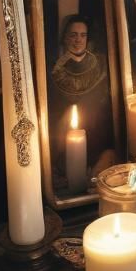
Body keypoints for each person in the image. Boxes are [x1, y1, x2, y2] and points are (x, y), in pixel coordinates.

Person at [49, 14, 113, 177]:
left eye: (83, 35)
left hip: (96, 137)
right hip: (64, 140)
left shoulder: (101, 66)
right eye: (73, 35)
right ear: (65, 38)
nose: (78, 40)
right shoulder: (54, 69)